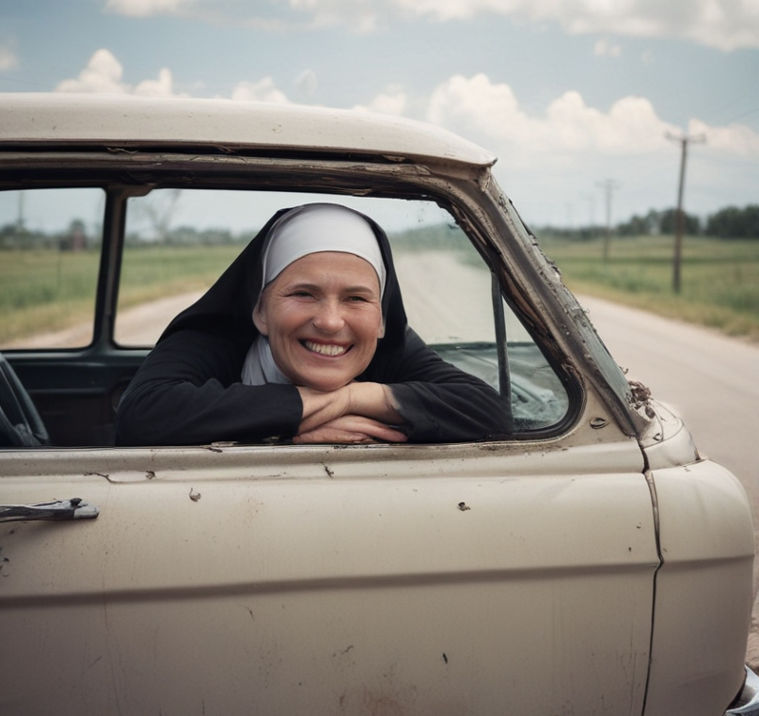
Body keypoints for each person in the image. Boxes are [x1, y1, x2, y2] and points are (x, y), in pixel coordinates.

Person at [115, 203, 510, 446]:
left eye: (356, 299)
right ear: (260, 311)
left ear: (382, 320)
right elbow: (143, 417)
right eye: (303, 294)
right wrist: (284, 433)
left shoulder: (388, 347)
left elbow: (490, 414)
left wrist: (352, 399)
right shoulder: (213, 338)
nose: (330, 321)